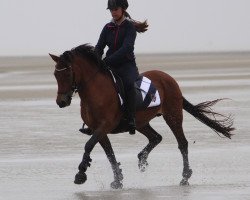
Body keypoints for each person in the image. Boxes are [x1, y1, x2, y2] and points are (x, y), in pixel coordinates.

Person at [80, 0, 148, 135]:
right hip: (110, 65)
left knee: (128, 84)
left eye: (115, 9)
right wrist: (94, 60)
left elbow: (126, 48)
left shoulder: (129, 27)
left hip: (127, 66)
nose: (113, 12)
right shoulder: (107, 27)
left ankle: (131, 119)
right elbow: (99, 47)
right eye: (111, 10)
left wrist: (107, 60)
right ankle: (92, 121)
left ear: (123, 9)